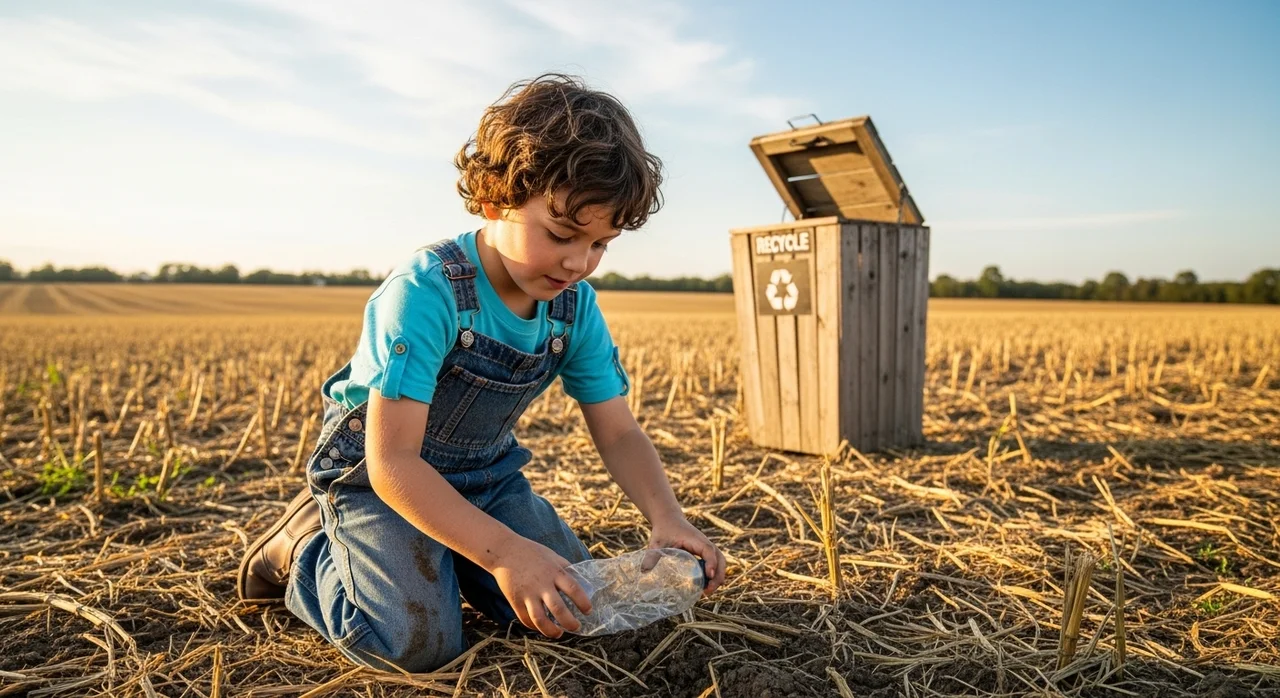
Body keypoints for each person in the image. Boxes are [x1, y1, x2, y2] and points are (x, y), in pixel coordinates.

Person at [235, 73, 727, 672]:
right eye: (562, 234)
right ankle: (305, 549)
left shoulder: (574, 308)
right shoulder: (427, 291)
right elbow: (393, 463)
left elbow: (619, 431)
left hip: (486, 480)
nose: (579, 262)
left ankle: (449, 556)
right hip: (379, 481)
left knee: (574, 610)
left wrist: (667, 517)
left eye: (601, 244)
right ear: (495, 200)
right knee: (414, 645)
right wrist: (505, 553)